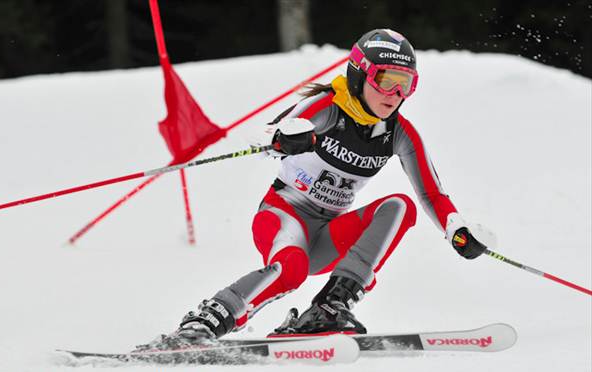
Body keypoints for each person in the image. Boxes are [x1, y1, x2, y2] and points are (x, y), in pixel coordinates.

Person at [176, 28, 487, 343]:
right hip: (284, 216)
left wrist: (456, 230)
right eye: (384, 79)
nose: (393, 93)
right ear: (359, 74)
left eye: (404, 84)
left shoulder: (400, 134)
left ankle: (328, 306)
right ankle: (207, 320)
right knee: (292, 269)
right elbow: (263, 135)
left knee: (399, 207)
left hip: (328, 236)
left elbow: (432, 194)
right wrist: (283, 139)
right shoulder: (329, 108)